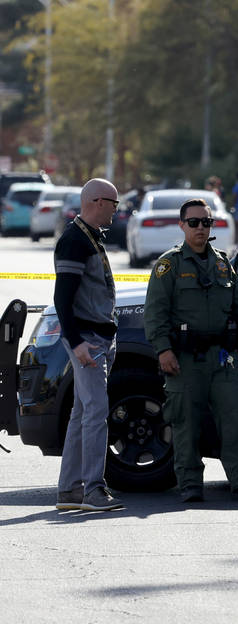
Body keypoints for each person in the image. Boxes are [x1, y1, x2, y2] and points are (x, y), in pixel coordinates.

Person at [143, 198, 238, 502]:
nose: (200, 228)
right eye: (194, 222)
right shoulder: (169, 265)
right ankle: (190, 485)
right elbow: (155, 312)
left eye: (206, 222)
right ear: (182, 225)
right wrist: (163, 350)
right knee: (186, 424)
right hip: (184, 360)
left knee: (236, 416)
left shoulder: (223, 263)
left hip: (223, 358)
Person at [52, 178, 124, 512]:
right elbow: (62, 297)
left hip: (96, 339)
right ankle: (93, 490)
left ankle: (69, 490)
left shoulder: (88, 236)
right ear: (96, 201)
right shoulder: (75, 241)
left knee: (83, 411)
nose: (116, 209)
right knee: (96, 412)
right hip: (88, 341)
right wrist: (77, 342)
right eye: (114, 203)